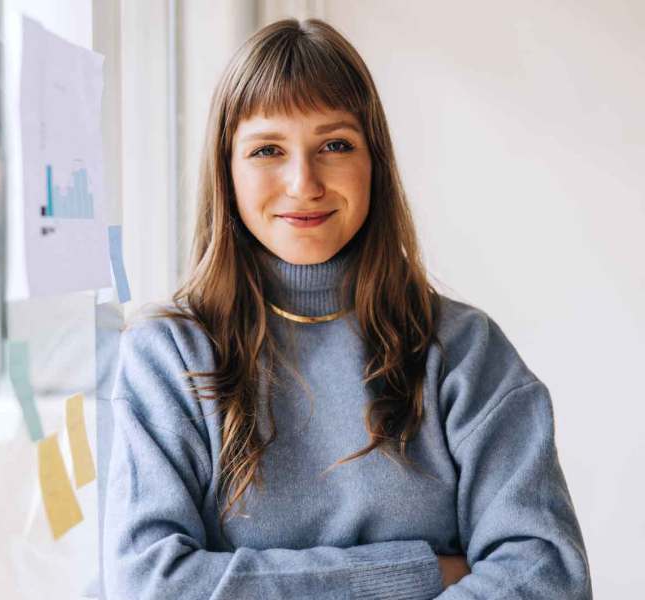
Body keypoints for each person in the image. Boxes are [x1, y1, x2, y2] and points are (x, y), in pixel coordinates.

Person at [102, 17, 593, 600]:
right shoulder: (168, 355)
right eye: (267, 150)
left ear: (374, 164)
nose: (303, 182)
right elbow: (150, 586)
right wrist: (418, 573)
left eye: (335, 145)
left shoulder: (464, 351)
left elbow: (548, 576)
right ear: (226, 171)